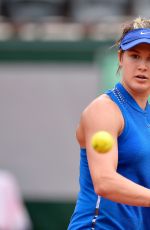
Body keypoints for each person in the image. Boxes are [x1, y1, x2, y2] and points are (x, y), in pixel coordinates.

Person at [68, 17, 150, 229]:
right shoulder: (104, 110)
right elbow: (104, 182)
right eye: (134, 56)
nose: (143, 66)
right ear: (121, 58)